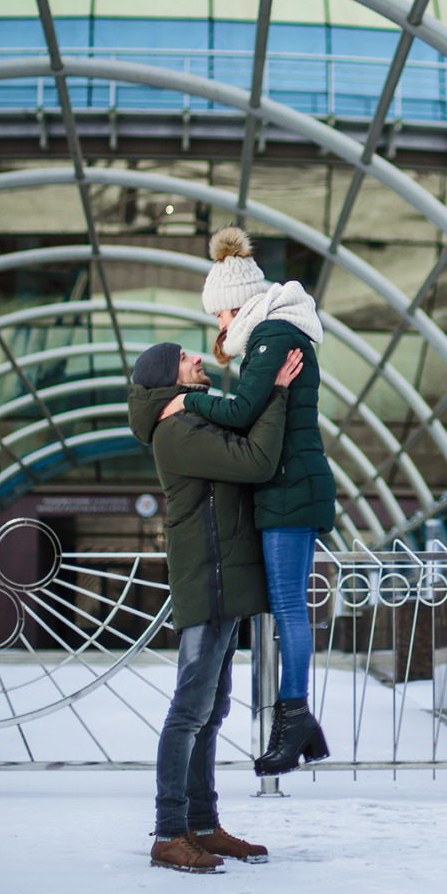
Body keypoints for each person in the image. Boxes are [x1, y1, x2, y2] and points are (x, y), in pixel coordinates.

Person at [128, 339, 304, 874]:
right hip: (208, 582)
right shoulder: (176, 430)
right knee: (188, 711)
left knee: (210, 711)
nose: (198, 359)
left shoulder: (193, 420)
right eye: (185, 359)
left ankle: (202, 826)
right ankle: (168, 832)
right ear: (166, 376)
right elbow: (254, 461)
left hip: (222, 582)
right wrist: (274, 394)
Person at [169, 226, 335, 777]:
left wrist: (187, 404)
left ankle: (293, 719)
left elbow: (241, 413)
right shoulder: (274, 335)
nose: (218, 327)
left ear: (234, 305)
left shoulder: (271, 335)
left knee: (289, 607)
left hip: (289, 487)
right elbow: (254, 408)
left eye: (218, 315)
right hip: (289, 486)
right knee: (287, 607)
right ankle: (296, 719)